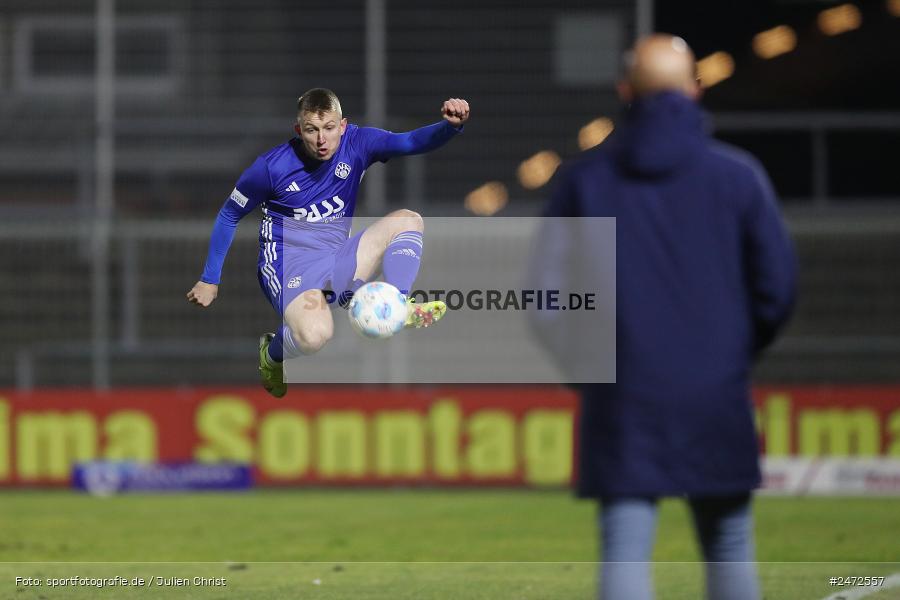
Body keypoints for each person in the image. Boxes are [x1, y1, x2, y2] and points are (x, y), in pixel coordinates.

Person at [536, 35, 797, 599]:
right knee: (729, 544)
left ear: (626, 91)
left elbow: (545, 297)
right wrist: (729, 354)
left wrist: (591, 369)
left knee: (624, 551)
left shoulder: (585, 181)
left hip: (623, 394)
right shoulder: (739, 177)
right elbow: (777, 288)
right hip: (715, 393)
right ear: (695, 90)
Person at [187, 88, 470, 397]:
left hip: (337, 257)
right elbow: (229, 215)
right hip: (288, 265)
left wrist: (451, 127)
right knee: (315, 336)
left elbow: (411, 141)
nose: (321, 139)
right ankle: (272, 353)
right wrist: (209, 278)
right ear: (299, 130)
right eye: (312, 130)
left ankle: (397, 303)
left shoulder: (359, 143)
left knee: (408, 220)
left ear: (343, 125)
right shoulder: (270, 168)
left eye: (329, 128)